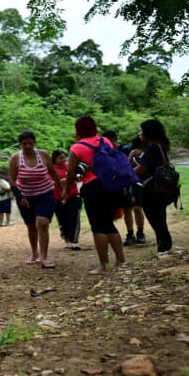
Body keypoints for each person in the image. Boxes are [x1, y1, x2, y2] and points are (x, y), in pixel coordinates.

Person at [66, 116, 126, 275]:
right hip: (112, 185)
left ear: (78, 130)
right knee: (109, 224)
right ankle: (121, 261)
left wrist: (66, 190)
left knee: (98, 227)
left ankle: (104, 265)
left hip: (93, 188)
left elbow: (71, 173)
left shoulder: (76, 148)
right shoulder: (105, 141)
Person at [9, 131, 62, 268]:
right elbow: (12, 180)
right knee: (31, 225)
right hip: (25, 196)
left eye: (30, 143)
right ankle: (34, 253)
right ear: (20, 144)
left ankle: (44, 257)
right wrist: (20, 196)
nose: (27, 146)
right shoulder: (15, 158)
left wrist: (63, 190)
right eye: (24, 143)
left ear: (34, 143)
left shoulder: (43, 155)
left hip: (45, 193)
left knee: (42, 223)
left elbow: (53, 173)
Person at [132, 119, 174, 254]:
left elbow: (142, 168)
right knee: (160, 219)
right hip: (162, 189)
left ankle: (164, 247)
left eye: (141, 131)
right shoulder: (160, 145)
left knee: (156, 220)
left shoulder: (153, 148)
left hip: (152, 190)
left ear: (148, 133)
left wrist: (125, 175)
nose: (139, 133)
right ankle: (164, 247)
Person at [104, 131, 142, 246]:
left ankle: (140, 233)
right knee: (127, 210)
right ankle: (130, 234)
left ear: (113, 140)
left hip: (133, 182)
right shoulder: (107, 152)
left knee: (137, 208)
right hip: (121, 185)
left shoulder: (125, 149)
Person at [51, 150, 81, 250]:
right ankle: (67, 240)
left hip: (72, 195)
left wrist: (77, 177)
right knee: (62, 219)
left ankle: (74, 241)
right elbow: (49, 182)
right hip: (57, 197)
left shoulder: (69, 166)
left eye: (64, 157)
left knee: (73, 218)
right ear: (55, 159)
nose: (63, 160)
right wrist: (64, 180)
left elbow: (76, 176)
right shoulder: (51, 169)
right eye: (61, 158)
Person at [127, 136, 148, 245]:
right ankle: (136, 233)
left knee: (136, 208)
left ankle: (138, 233)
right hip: (139, 183)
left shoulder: (140, 152)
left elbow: (129, 167)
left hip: (139, 184)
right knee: (133, 209)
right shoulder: (136, 153)